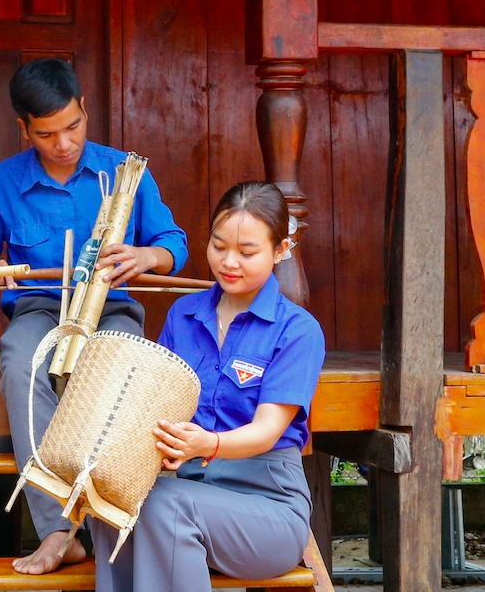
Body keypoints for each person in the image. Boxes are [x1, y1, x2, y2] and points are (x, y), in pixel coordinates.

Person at [0, 58, 188, 574]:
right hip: (41, 308)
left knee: (123, 373)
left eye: (73, 126)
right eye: (46, 134)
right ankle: (58, 531)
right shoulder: (1, 182)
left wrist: (148, 257)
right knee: (20, 361)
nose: (63, 143)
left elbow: (174, 243)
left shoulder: (126, 172)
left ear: (85, 109)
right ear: (24, 129)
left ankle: (117, 519)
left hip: (112, 309)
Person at [90, 181, 325, 589]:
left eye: (248, 252)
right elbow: (156, 407)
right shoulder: (184, 315)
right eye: (219, 246)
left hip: (267, 508)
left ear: (280, 250)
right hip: (188, 493)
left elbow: (268, 430)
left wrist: (207, 446)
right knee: (112, 501)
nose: (229, 262)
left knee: (165, 505)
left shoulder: (298, 330)